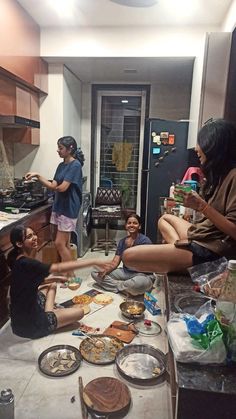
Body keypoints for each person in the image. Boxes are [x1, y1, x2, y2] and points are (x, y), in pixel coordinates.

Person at [122, 119, 236, 273]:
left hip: (214, 250)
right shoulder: (219, 175)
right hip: (204, 237)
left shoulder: (234, 176)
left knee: (128, 257)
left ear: (216, 147)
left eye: (201, 143)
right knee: (165, 219)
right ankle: (181, 252)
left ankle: (188, 259)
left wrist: (202, 206)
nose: (196, 149)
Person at [7, 225, 106, 339]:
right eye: (29, 237)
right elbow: (59, 268)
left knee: (51, 285)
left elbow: (29, 282)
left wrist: (57, 279)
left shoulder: (14, 257)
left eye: (34, 234)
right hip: (32, 326)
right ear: (19, 244)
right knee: (79, 313)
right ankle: (49, 313)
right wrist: (93, 261)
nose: (34, 237)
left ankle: (49, 311)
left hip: (19, 321)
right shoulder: (27, 263)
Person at [25, 136, 84, 275]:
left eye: (60, 148)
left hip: (69, 208)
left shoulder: (75, 165)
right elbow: (53, 185)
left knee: (59, 243)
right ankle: (68, 274)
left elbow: (62, 188)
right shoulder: (61, 165)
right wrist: (38, 176)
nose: (58, 150)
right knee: (64, 244)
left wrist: (46, 181)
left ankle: (71, 276)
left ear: (70, 149)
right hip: (59, 206)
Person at [91, 213, 155, 295]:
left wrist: (131, 249)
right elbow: (115, 263)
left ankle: (121, 286)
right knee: (95, 273)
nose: (131, 225)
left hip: (143, 275)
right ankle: (125, 288)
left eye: (135, 223)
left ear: (139, 226)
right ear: (126, 226)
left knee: (139, 284)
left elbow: (150, 264)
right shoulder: (122, 242)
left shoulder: (145, 241)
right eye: (129, 223)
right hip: (126, 272)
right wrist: (105, 270)